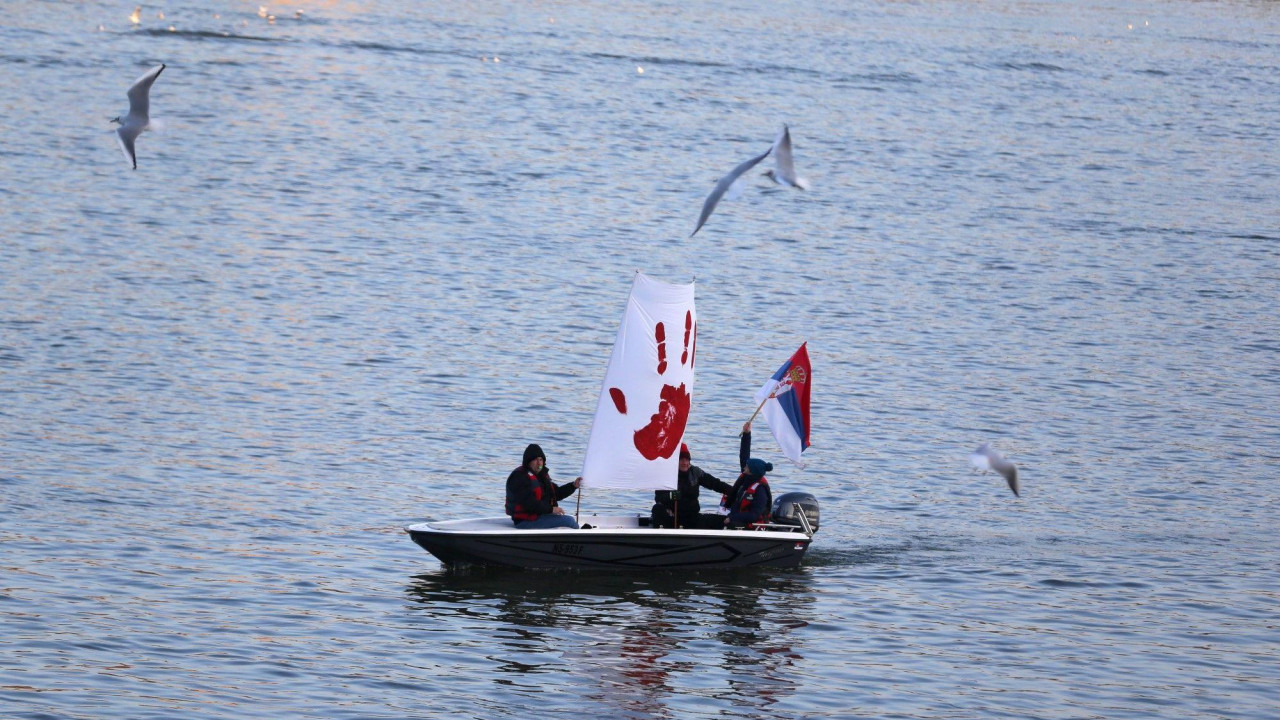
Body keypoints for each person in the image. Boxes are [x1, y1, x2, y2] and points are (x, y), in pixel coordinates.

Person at [650, 433, 737, 530]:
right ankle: (662, 537)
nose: (685, 463)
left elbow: (715, 484)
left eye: (687, 460)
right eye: (681, 460)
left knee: (722, 520)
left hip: (692, 518)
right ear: (675, 461)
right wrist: (670, 496)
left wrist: (736, 492)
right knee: (657, 509)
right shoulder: (667, 474)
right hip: (673, 517)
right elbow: (658, 498)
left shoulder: (695, 472)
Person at [505, 443, 581, 529]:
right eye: (535, 460)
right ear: (528, 461)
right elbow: (529, 503)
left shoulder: (541, 476)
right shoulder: (519, 477)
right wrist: (551, 510)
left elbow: (556, 494)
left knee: (569, 519)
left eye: (541, 460)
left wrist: (573, 486)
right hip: (525, 521)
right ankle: (583, 541)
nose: (539, 463)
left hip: (539, 517)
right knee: (569, 521)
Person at [724, 422, 774, 529]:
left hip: (751, 526)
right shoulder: (747, 479)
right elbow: (744, 456)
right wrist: (747, 434)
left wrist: (732, 517)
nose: (744, 469)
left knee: (727, 524)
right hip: (738, 519)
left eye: (746, 467)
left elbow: (754, 515)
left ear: (752, 471)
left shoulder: (760, 490)